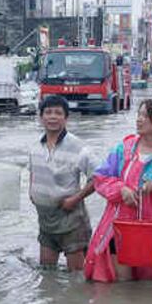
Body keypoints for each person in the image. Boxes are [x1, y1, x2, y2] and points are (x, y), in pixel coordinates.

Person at [85, 99, 152, 283]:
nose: (139, 120)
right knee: (121, 281)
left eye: (145, 116)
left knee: (150, 282)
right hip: (118, 227)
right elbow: (100, 178)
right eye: (138, 115)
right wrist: (121, 189)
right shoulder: (124, 150)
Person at [28, 96, 96, 271]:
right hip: (45, 220)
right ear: (41, 117)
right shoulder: (35, 145)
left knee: (77, 277)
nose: (52, 117)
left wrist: (75, 199)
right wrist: (32, 192)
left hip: (71, 219)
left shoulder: (78, 147)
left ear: (66, 118)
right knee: (47, 274)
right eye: (48, 112)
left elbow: (98, 177)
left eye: (58, 113)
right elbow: (32, 171)